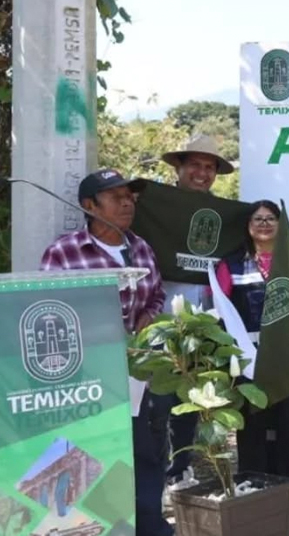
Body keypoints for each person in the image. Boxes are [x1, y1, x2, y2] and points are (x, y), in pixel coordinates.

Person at [39, 169, 170, 536]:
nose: (127, 202)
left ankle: (149, 525)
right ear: (89, 205)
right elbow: (49, 310)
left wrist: (149, 316)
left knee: (144, 451)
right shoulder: (64, 252)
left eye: (130, 195)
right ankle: (93, 525)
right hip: (86, 377)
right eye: (116, 196)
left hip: (134, 373)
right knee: (89, 452)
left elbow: (156, 293)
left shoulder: (141, 247)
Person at [215, 200, 289, 505]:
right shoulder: (231, 264)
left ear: (280, 224)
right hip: (250, 365)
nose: (264, 224)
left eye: (270, 218)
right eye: (257, 219)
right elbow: (220, 312)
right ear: (248, 226)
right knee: (252, 429)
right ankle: (253, 488)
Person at [158, 133, 236, 484]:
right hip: (162, 312)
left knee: (192, 392)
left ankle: (180, 467)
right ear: (180, 167)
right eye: (195, 165)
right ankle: (156, 467)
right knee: (159, 394)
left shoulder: (222, 212)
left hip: (206, 317)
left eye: (209, 167)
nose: (202, 173)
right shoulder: (155, 205)